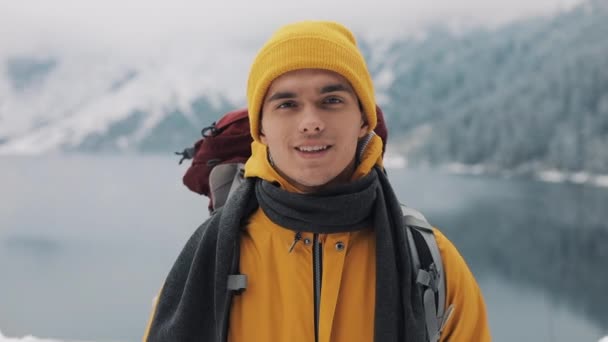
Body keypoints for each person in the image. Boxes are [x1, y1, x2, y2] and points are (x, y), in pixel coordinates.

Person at [143, 21, 491, 342]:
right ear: (260, 129)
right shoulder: (209, 258)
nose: (310, 122)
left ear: (363, 120)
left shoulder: (430, 261)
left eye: (332, 101)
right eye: (287, 104)